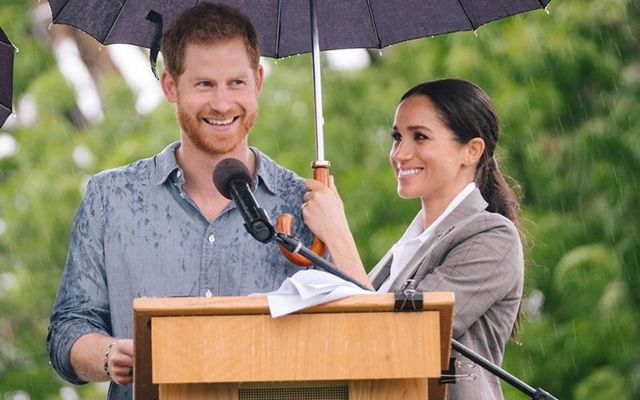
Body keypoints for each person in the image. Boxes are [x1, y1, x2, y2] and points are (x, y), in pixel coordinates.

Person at [47, 4, 311, 399]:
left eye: (236, 82)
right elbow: (68, 329)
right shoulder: (110, 198)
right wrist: (107, 355)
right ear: (170, 85)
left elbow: (357, 335)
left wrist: (336, 229)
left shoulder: (303, 202)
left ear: (258, 81)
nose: (223, 104)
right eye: (204, 84)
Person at [302, 78, 524, 400]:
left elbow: (398, 339)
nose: (400, 153)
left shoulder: (492, 238)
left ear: (471, 150)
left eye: (419, 137)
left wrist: (338, 235)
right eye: (397, 137)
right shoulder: (410, 245)